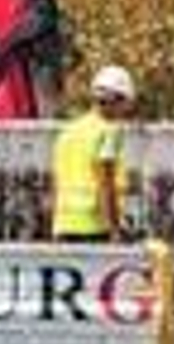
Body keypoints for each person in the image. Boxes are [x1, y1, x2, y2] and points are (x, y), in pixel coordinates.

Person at [52, 64, 136, 243]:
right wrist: (115, 228)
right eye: (126, 104)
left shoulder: (67, 133)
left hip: (63, 226)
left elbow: (57, 182)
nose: (125, 111)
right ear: (116, 100)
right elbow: (105, 182)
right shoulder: (108, 131)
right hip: (95, 227)